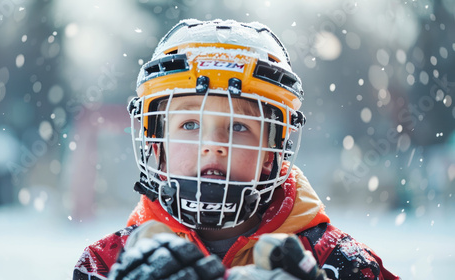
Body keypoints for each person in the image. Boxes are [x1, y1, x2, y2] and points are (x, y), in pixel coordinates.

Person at [73, 19, 399, 280]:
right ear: (156, 143)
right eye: (190, 124)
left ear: (272, 150)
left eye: (239, 127)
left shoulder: (338, 261)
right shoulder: (108, 263)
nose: (213, 145)